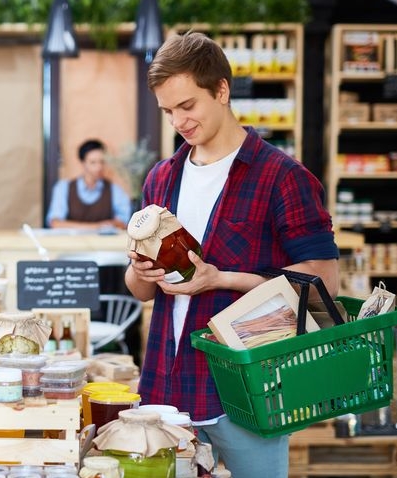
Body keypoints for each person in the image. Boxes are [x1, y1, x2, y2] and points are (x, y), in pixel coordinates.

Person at [125, 32, 339, 478]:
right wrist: (139, 267)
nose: (178, 121)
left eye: (188, 106)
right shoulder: (162, 179)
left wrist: (223, 279)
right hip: (167, 384)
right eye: (168, 111)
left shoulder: (283, 178)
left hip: (247, 388)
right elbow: (141, 291)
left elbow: (324, 285)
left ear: (221, 90)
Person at [46, 139, 133, 231]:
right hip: (72, 243)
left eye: (102, 162)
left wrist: (114, 224)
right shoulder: (64, 188)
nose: (99, 167)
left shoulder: (114, 190)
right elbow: (55, 223)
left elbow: (124, 222)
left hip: (103, 244)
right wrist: (96, 227)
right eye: (93, 162)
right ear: (83, 163)